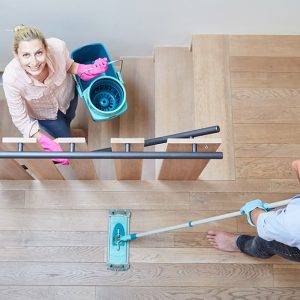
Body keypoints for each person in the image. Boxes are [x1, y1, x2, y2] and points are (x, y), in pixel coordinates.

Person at [3, 24, 108, 164]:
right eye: (26, 55)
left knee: (70, 117)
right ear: (17, 55)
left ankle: (70, 131)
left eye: (39, 53)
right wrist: (43, 141)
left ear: (46, 49)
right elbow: (20, 119)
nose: (33, 62)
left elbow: (69, 65)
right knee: (64, 138)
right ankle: (69, 136)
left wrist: (85, 69)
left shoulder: (58, 47)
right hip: (46, 115)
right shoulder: (12, 78)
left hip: (67, 96)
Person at [206, 193, 300, 262]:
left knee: (268, 241)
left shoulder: (293, 223)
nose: (293, 164)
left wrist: (254, 211)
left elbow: (263, 224)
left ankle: (240, 244)